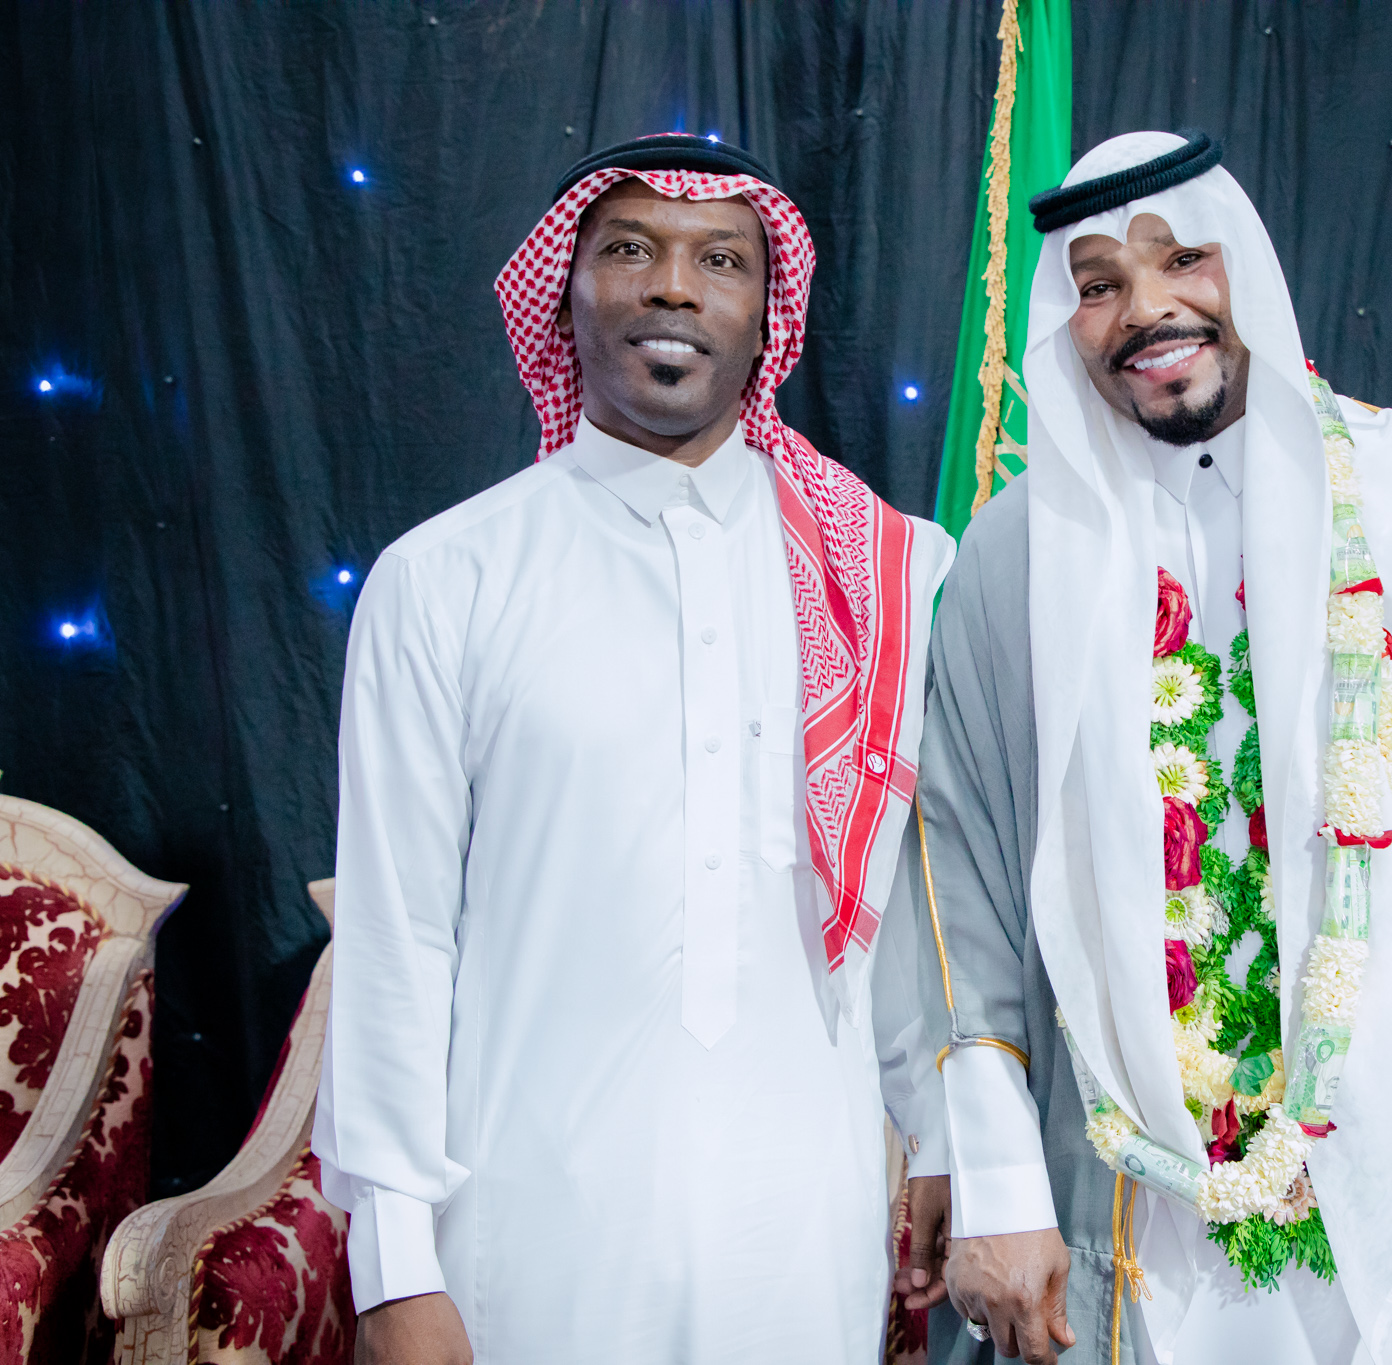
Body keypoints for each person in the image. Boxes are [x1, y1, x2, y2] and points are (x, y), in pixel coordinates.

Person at [899, 131, 1392, 1364]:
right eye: (1099, 282)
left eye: (1182, 259)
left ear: (1246, 268)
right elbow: (963, 893)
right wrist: (998, 1180)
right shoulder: (1013, 560)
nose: (1145, 309)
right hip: (1151, 1196)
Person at [316, 134, 953, 1363]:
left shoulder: (889, 574)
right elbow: (399, 939)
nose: (672, 286)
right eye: (628, 250)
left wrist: (940, 1134)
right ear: (563, 294)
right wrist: (392, 1265)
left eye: (720, 260)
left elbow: (907, 908)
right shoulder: (444, 577)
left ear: (768, 318)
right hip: (526, 1240)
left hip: (802, 1239)